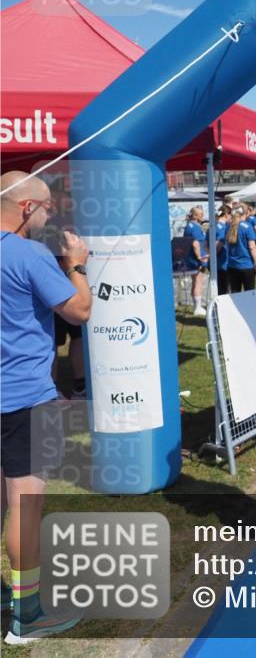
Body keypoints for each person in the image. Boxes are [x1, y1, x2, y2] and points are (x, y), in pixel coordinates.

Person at [1, 171, 92, 642]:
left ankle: (10, 599)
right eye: (47, 207)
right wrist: (76, 264)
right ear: (25, 208)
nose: (52, 214)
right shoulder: (27, 253)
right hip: (21, 396)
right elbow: (78, 311)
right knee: (26, 505)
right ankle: (27, 614)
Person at [225, 204, 256, 293]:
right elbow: (252, 247)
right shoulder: (247, 227)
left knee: (235, 294)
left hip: (232, 265)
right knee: (249, 294)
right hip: (246, 265)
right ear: (246, 212)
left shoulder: (228, 226)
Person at [184, 207, 209, 316]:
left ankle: (196, 306)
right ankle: (197, 307)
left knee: (195, 281)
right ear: (194, 215)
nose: (202, 216)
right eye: (200, 214)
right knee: (198, 281)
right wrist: (200, 257)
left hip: (190, 257)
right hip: (196, 259)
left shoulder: (189, 226)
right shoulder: (195, 227)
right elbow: (195, 243)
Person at [215, 205, 231, 296]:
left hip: (215, 264)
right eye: (230, 215)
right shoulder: (223, 228)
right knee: (224, 291)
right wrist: (213, 255)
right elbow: (219, 244)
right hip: (222, 263)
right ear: (226, 215)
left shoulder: (212, 227)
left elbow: (206, 244)